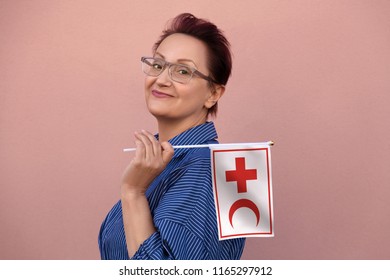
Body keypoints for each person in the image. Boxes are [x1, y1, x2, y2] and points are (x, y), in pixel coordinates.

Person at [98, 13, 245, 260]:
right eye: (158, 65)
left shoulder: (205, 170)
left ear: (213, 93)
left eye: (183, 71)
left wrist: (132, 192)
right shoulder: (165, 163)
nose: (162, 80)